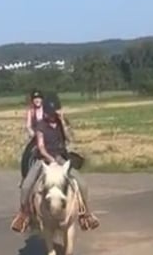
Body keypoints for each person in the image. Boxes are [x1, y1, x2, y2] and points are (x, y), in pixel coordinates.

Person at [11, 99, 100, 233]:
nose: (52, 115)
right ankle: (23, 214)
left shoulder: (60, 124)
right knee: (26, 185)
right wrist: (50, 159)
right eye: (50, 113)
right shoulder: (41, 126)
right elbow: (41, 147)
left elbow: (69, 138)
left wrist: (63, 122)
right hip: (43, 159)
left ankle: (86, 213)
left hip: (60, 158)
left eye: (54, 113)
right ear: (46, 113)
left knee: (82, 183)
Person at [20, 89, 45, 183]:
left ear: (42, 99)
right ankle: (25, 176)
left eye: (38, 98)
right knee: (27, 154)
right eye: (35, 98)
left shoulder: (46, 110)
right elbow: (28, 125)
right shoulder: (31, 111)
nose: (37, 100)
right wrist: (33, 133)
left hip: (48, 136)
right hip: (36, 137)